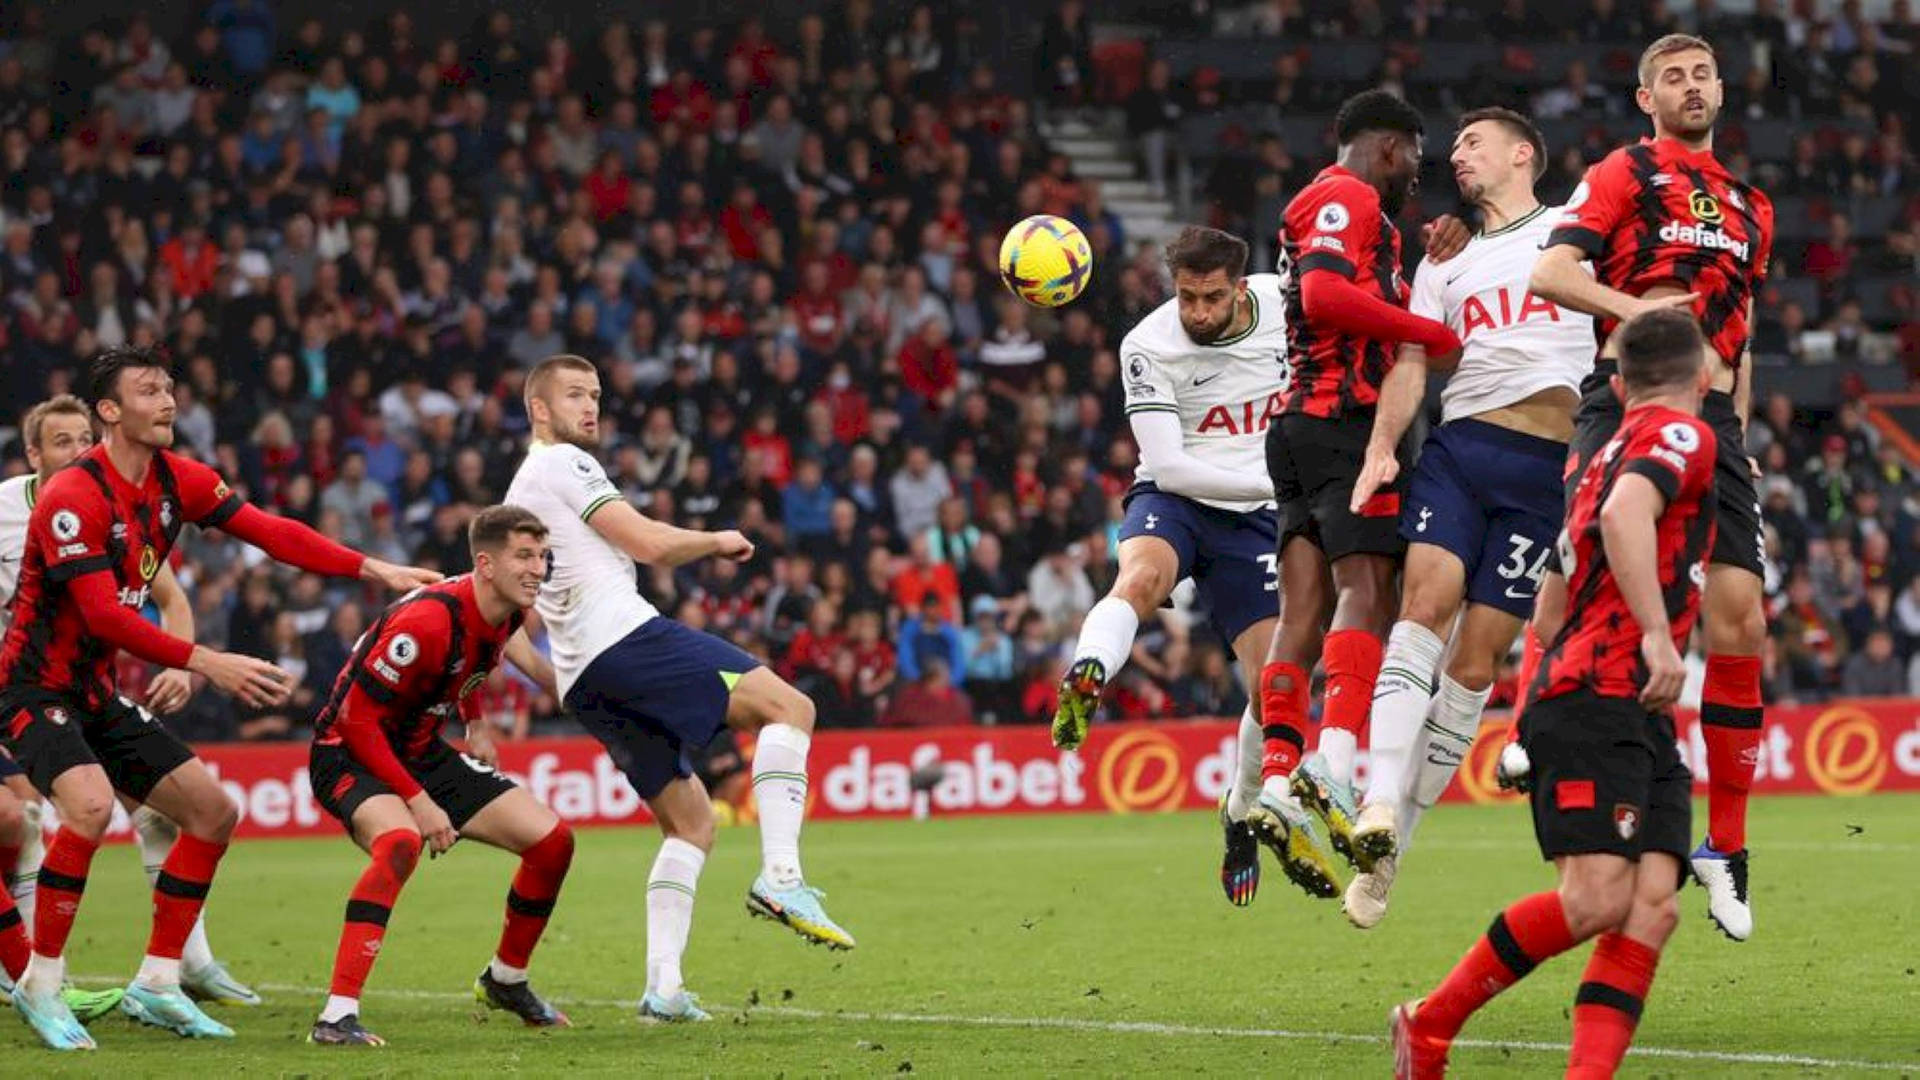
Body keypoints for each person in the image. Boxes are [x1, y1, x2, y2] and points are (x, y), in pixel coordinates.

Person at [0, 345, 436, 1050]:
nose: (168, 401)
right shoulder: (73, 496)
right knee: (87, 807)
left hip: (95, 691)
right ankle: (41, 984)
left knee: (211, 813)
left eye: (169, 388)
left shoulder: (180, 479)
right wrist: (210, 661)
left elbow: (271, 533)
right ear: (109, 412)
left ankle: (160, 981)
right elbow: (106, 615)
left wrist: (371, 567)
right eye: (148, 391)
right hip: (30, 686)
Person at [1393, 308, 1716, 1080]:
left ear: (1616, 382)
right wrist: (1657, 635)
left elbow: (1550, 602)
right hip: (1599, 692)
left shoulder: (1595, 457)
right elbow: (1627, 512)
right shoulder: (1678, 438)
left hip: (1618, 701)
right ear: (1703, 376)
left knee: (1653, 904)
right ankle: (1428, 1025)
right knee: (1597, 900)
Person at [505, 354, 853, 1025]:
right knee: (791, 706)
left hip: (589, 678)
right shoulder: (563, 463)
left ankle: (663, 988)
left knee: (691, 822)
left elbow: (504, 611)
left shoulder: (521, 486)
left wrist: (558, 681)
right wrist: (718, 538)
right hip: (626, 638)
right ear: (538, 411)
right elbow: (650, 544)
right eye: (574, 395)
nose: (591, 407)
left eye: (597, 395)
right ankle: (782, 879)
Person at [1524, 33, 1775, 942]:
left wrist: (1739, 434)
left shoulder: (1753, 206)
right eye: (1673, 77)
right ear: (1646, 98)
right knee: (1574, 582)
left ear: (1721, 88)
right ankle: (1529, 727)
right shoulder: (1627, 172)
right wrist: (1644, 316)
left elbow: (1740, 336)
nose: (1692, 86)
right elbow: (1551, 272)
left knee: (1742, 617)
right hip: (1623, 395)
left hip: (1716, 419)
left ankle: (1728, 846)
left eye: (1703, 73)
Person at [1339, 108, 1595, 928]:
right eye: (1453, 147)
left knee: (1477, 664)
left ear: (1523, 155)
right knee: (1422, 607)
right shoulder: (1444, 261)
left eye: (1472, 142)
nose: (1457, 154)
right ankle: (1378, 800)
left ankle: (1393, 851)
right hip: (1461, 452)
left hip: (1547, 470)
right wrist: (1384, 446)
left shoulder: (1575, 228)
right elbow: (1413, 361)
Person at [1048, 225, 1335, 903]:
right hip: (1179, 498)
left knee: (1273, 687)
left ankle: (1239, 815)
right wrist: (1279, 487)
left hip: (1257, 522)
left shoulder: (1283, 304)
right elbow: (1170, 464)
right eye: (1186, 298)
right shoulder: (1148, 345)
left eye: (1210, 298)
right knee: (1140, 577)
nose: (1198, 312)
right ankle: (1088, 671)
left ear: (1240, 287)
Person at [1250, 90, 1465, 879]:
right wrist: (1427, 331)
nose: (1419, 174)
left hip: (1295, 426)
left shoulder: (1326, 203)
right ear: (1388, 148)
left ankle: (1277, 778)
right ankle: (1334, 768)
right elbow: (1323, 295)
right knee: (1365, 592)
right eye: (1414, 156)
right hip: (1346, 426)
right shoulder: (1343, 194)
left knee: (1299, 611)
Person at [0, 395, 260, 1010]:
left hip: (84, 685)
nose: (76, 451)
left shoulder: (108, 500)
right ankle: (38, 977)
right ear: (33, 454)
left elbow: (168, 595)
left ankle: (184, 966)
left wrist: (183, 657)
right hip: (22, 685)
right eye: (60, 441)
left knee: (172, 811)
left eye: (83, 438)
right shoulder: (7, 511)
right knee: (26, 816)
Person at [306, 506, 572, 1046]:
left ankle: (506, 979)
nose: (537, 569)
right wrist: (418, 801)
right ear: (485, 563)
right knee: (400, 842)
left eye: (541, 556)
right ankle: (336, 1016)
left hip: (422, 749)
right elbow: (354, 720)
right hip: (348, 753)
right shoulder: (425, 622)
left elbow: (465, 667)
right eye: (524, 556)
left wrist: (475, 725)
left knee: (552, 842)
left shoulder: (508, 611)